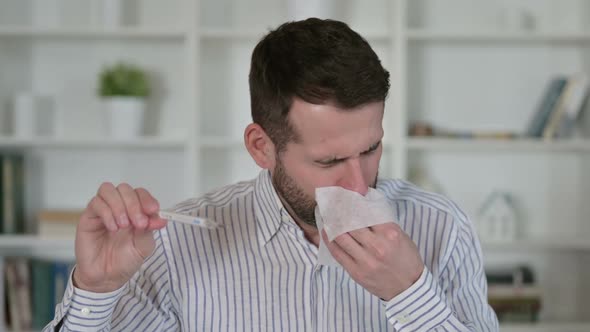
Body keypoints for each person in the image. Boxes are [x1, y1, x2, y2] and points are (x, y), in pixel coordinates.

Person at [44, 18, 499, 331]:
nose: (360, 184)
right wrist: (96, 290)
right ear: (262, 147)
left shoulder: (441, 228)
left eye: (371, 148)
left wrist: (411, 294)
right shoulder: (178, 245)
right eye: (328, 161)